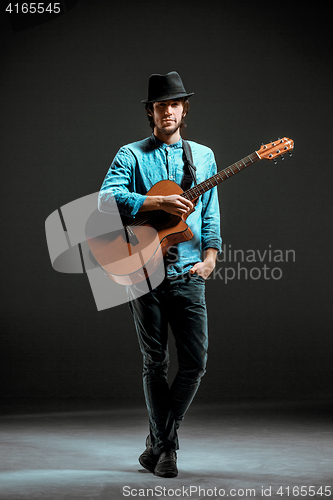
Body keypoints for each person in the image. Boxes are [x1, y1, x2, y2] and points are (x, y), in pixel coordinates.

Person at [98, 71, 222, 477]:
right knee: (155, 362)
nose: (167, 111)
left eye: (174, 104)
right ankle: (167, 450)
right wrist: (153, 199)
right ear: (150, 112)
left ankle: (156, 444)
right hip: (142, 270)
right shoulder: (130, 155)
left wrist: (211, 256)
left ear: (184, 110)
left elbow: (211, 211)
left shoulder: (203, 157)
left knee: (195, 364)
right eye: (160, 105)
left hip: (189, 271)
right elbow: (105, 198)